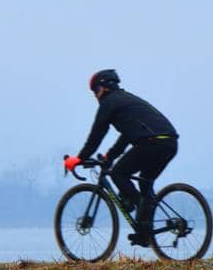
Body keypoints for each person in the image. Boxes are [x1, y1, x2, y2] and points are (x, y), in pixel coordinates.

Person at [62, 69, 179, 247]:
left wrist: (79, 158)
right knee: (145, 184)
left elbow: (97, 133)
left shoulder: (109, 102)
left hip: (152, 143)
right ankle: (145, 232)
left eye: (95, 90)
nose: (95, 95)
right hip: (169, 143)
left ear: (105, 87)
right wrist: (109, 156)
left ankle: (140, 208)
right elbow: (127, 136)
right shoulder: (126, 100)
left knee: (118, 173)